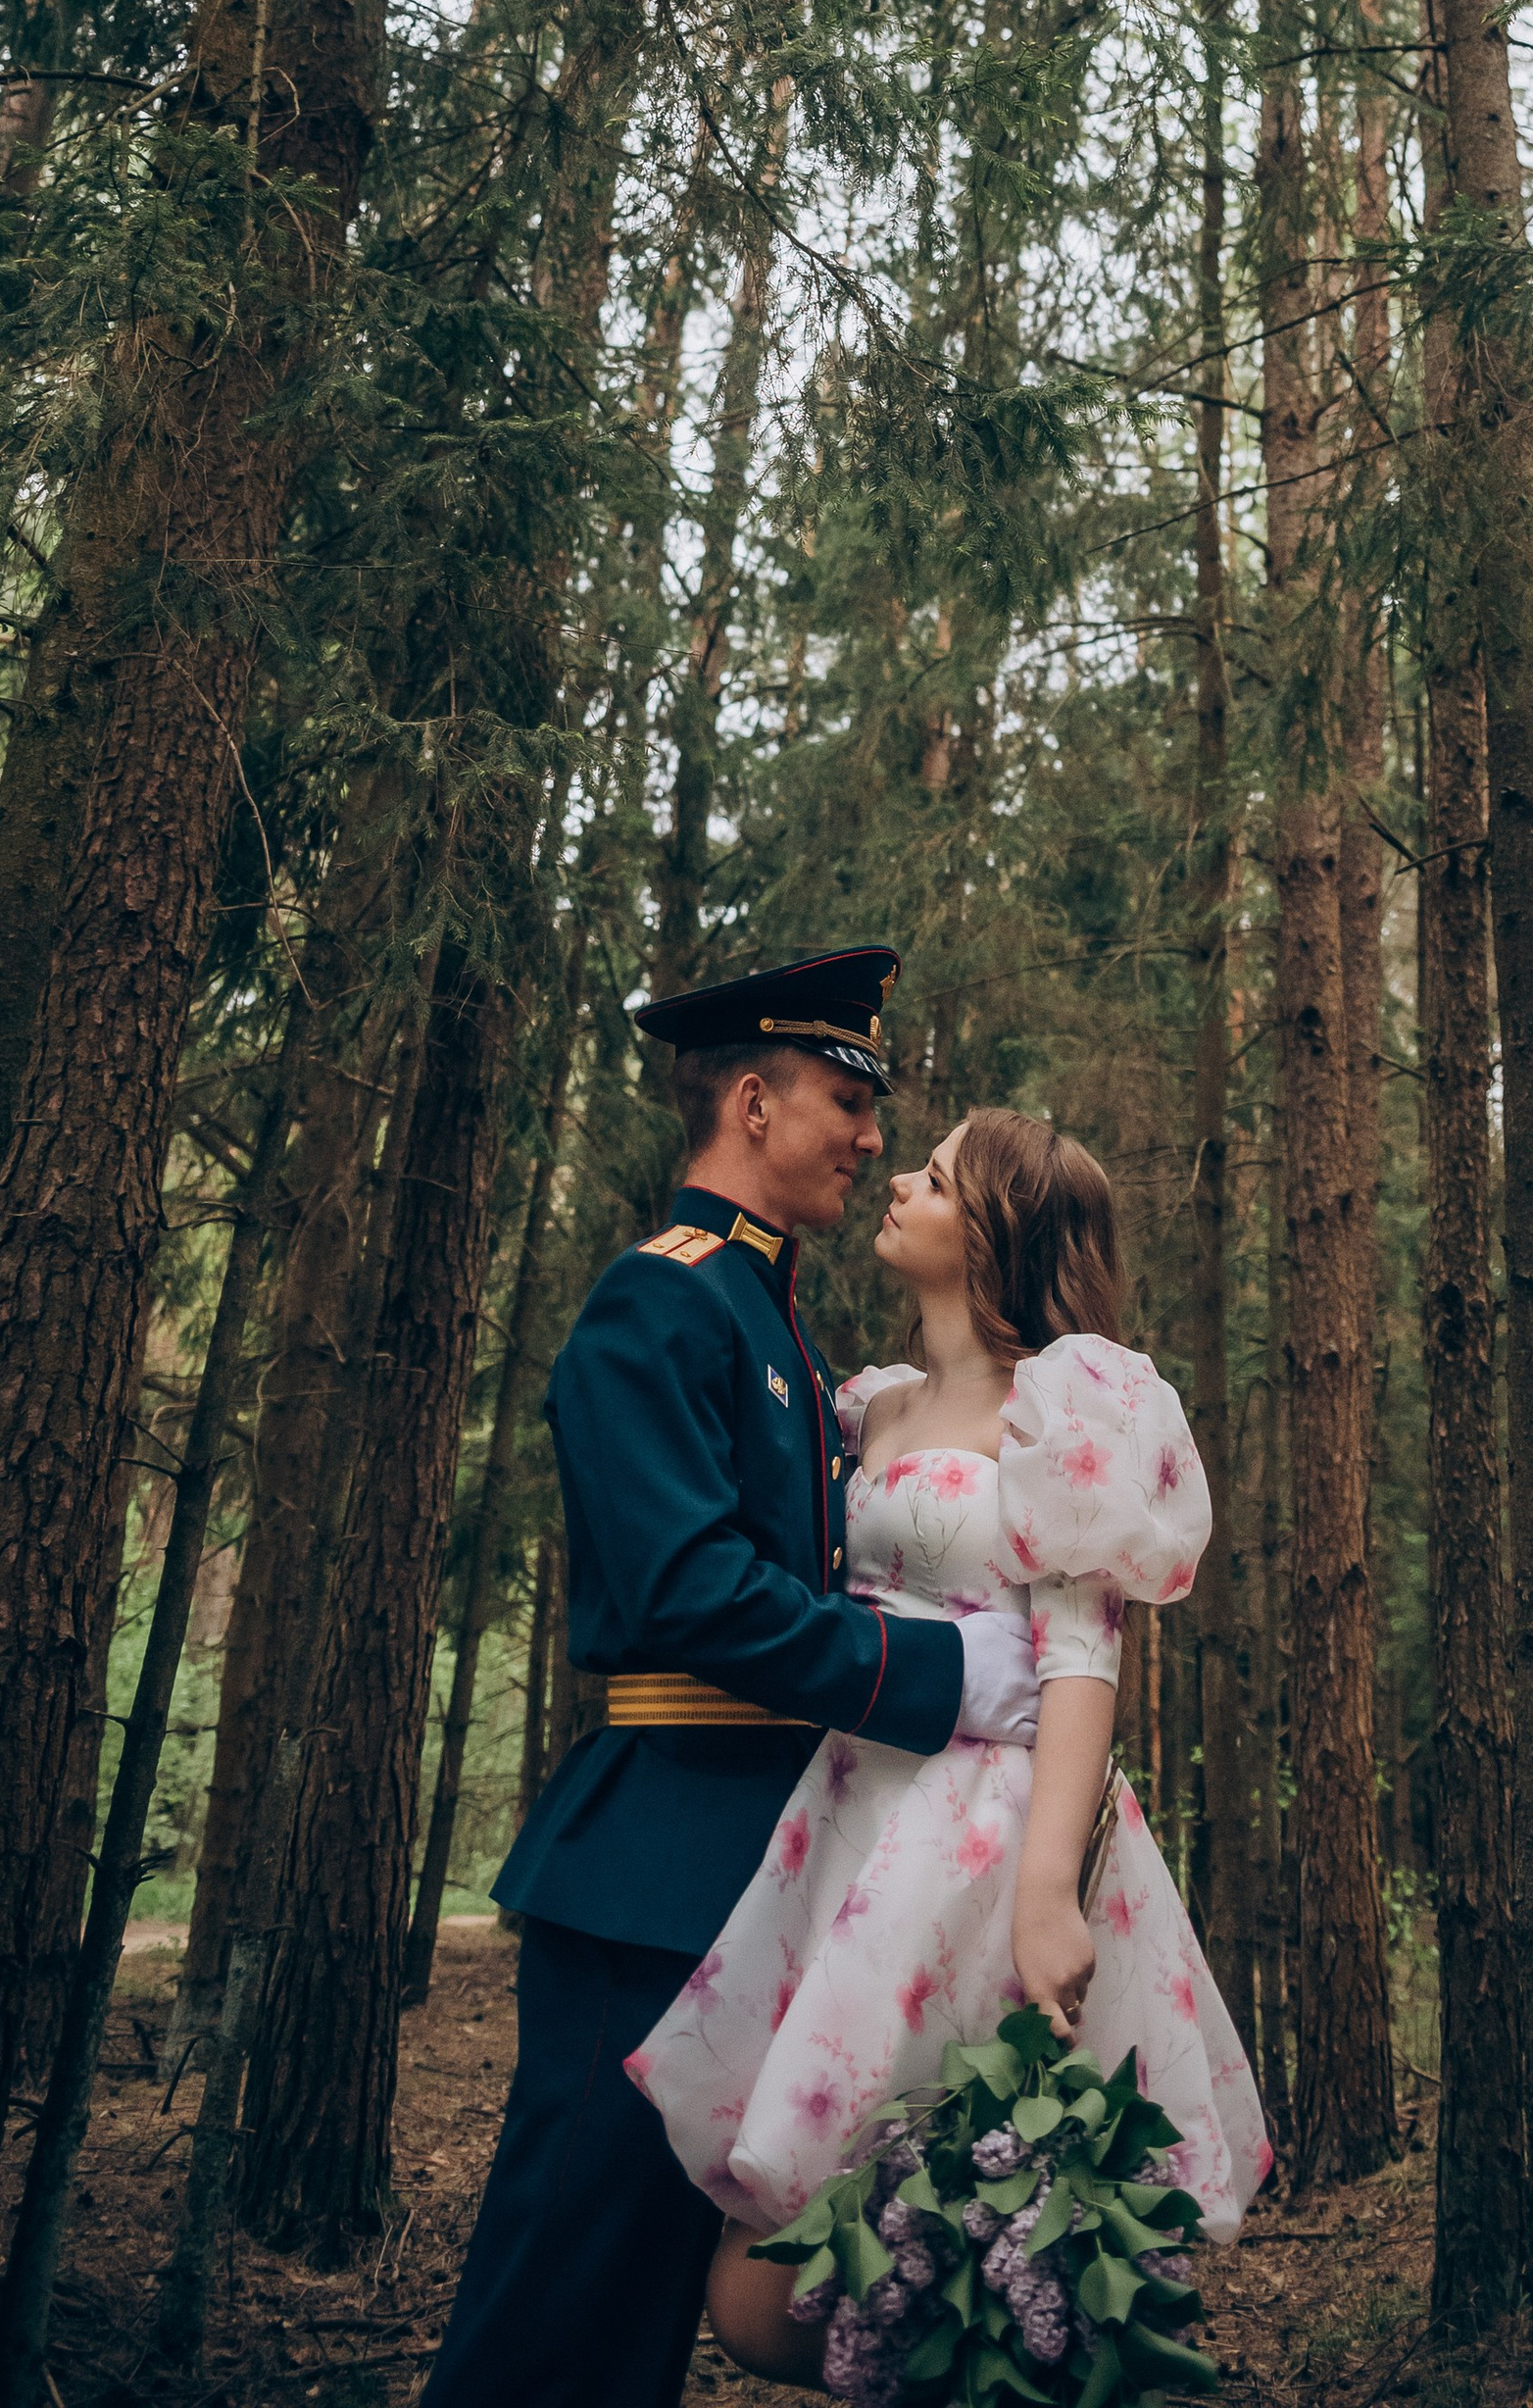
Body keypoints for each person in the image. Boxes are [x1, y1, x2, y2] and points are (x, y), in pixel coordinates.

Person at [420, 949, 1042, 2408]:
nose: (873, 1137)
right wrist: (938, 1672)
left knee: (643, 2316)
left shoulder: (772, 1320)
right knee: (564, 2301)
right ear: (754, 1103)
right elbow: (692, 1594)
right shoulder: (661, 1303)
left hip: (765, 1857)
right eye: (846, 1102)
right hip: (654, 1861)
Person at [626, 1107, 1272, 2383]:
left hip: (983, 1854)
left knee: (940, 2232)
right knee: (806, 2278)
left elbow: (1082, 1659)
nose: (898, 1183)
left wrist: (1046, 1894)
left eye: (933, 1178)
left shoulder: (1065, 1408)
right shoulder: (875, 1406)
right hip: (851, 1828)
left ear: (992, 1236)